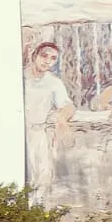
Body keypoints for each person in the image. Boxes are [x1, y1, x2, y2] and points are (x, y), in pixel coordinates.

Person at [22, 42, 74, 202]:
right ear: (34, 56)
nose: (47, 61)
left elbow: (67, 104)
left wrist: (62, 118)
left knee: (42, 175)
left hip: (38, 133)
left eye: (53, 58)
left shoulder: (53, 82)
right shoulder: (20, 78)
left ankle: (35, 213)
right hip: (17, 133)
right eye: (44, 56)